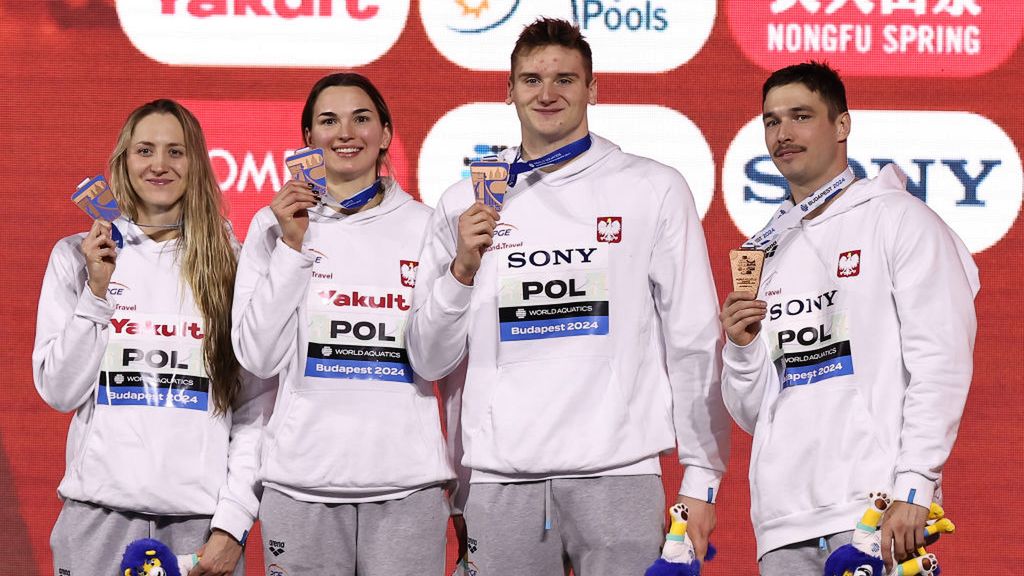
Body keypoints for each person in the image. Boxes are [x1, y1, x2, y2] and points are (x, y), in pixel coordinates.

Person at [406, 18, 729, 576]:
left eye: (565, 79)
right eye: (531, 80)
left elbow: (694, 340)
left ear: (592, 89)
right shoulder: (464, 202)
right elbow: (430, 359)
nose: (547, 93)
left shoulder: (651, 187)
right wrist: (461, 270)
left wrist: (701, 478)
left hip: (621, 472)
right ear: (508, 91)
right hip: (501, 480)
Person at [719, 61, 979, 575]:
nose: (783, 134)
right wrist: (742, 349)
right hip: (782, 521)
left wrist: (914, 484)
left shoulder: (899, 219)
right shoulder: (766, 248)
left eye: (800, 116)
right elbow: (755, 414)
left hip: (876, 508)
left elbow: (941, 363)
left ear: (842, 125)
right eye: (771, 121)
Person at [33, 99, 273, 576]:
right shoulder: (76, 258)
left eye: (175, 152)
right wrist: (96, 294)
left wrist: (231, 526)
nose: (159, 165)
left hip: (198, 528)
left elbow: (255, 410)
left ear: (197, 164)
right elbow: (59, 391)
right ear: (124, 161)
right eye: (145, 150)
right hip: (94, 518)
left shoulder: (233, 263)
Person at [232, 72, 454, 575]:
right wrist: (292, 247)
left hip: (407, 486)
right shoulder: (272, 226)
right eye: (328, 121)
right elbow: (256, 357)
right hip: (299, 484)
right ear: (308, 140)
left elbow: (440, 357)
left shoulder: (425, 225)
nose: (345, 133)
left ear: (386, 133)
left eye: (361, 118)